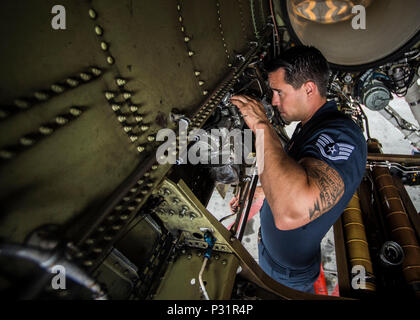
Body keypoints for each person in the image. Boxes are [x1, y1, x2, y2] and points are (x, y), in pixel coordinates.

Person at [229, 45, 367, 294]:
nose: (273, 101)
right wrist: (262, 192)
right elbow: (294, 174)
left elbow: (289, 214)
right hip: (272, 255)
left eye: (279, 92)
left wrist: (261, 125)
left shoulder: (342, 136)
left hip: (288, 275)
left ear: (309, 88)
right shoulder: (311, 125)